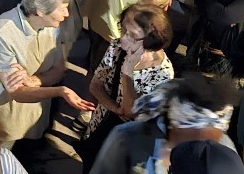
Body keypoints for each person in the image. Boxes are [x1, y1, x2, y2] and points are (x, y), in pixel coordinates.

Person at [0, 0, 95, 146]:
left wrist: (34, 80)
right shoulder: (3, 31)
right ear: (41, 11)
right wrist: (60, 91)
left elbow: (58, 69)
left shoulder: (52, 26)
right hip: (7, 123)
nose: (67, 14)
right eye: (62, 8)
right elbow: (18, 92)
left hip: (36, 119)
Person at [80, 3, 174, 174]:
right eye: (123, 30)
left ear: (151, 39)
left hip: (125, 143)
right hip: (100, 127)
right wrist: (115, 109)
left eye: (132, 36)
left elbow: (131, 112)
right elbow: (95, 86)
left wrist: (128, 72)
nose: (122, 39)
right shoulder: (116, 47)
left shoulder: (163, 74)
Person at [90, 75, 239, 174]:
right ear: (173, 126)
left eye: (212, 140)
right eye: (193, 140)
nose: (202, 148)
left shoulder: (225, 152)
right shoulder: (127, 139)